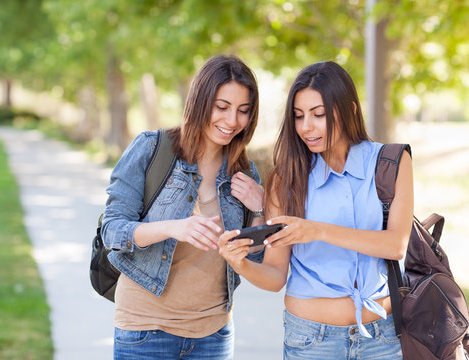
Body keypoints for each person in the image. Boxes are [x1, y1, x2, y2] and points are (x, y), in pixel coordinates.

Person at [219, 61, 414, 359]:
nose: (306, 127)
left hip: (383, 341)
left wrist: (318, 230)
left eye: (318, 114)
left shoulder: (391, 163)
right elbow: (274, 275)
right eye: (298, 116)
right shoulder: (286, 178)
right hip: (312, 342)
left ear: (349, 111)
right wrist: (241, 263)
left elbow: (395, 245)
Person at [101, 55, 265, 360]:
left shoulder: (244, 174)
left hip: (213, 334)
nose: (232, 121)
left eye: (243, 111)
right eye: (222, 107)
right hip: (145, 330)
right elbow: (112, 230)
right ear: (200, 101)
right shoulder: (152, 149)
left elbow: (257, 259)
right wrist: (175, 227)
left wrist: (259, 208)